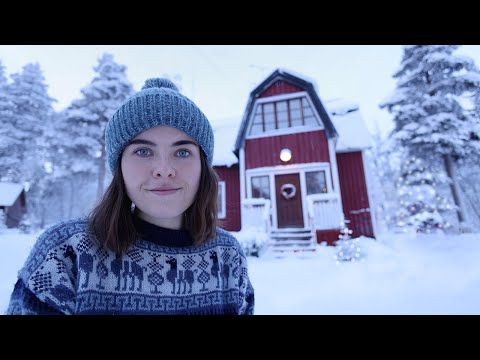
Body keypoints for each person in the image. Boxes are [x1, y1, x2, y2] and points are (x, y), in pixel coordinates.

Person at [6, 78, 255, 315]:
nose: (164, 169)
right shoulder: (67, 254)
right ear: (119, 167)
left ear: (202, 166)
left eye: (182, 152)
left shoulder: (227, 257)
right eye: (144, 151)